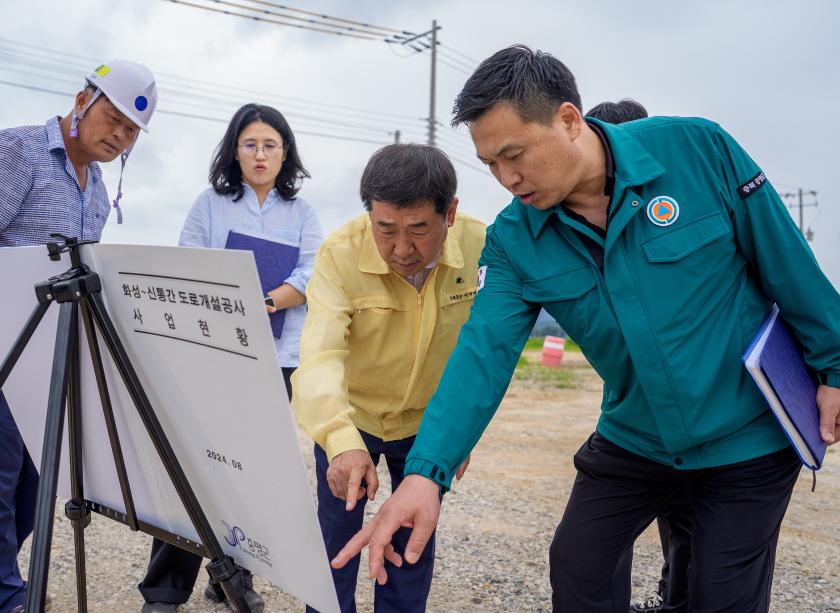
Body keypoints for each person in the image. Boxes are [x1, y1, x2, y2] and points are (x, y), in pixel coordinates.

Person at [332, 45, 840, 613]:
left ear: (569, 120)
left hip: (745, 435)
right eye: (490, 164)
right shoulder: (515, 239)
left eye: (514, 154)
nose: (506, 178)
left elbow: (789, 265)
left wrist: (834, 368)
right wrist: (426, 474)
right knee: (578, 566)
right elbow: (484, 352)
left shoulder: (699, 151)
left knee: (721, 592)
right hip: (637, 437)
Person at [0, 59, 157, 613]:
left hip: (46, 353)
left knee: (37, 482)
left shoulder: (98, 189)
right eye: (112, 118)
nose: (119, 136)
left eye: (131, 131)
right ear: (82, 99)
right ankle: (2, 598)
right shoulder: (13, 150)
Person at [137, 103, 322, 613]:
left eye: (270, 145)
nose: (260, 154)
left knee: (248, 471)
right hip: (211, 353)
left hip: (275, 357)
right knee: (192, 469)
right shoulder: (211, 204)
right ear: (234, 151)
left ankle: (231, 581)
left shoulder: (302, 213)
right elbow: (186, 262)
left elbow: (312, 274)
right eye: (250, 144)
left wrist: (261, 302)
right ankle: (165, 590)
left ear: (286, 154)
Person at [291, 143, 485, 613]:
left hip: (429, 424)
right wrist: (339, 440)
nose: (402, 249)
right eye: (385, 229)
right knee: (336, 537)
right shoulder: (339, 253)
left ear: (450, 213)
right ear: (369, 217)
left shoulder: (482, 246)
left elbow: (485, 351)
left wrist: (459, 432)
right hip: (351, 418)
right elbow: (320, 354)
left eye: (419, 229)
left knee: (410, 540)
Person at [587, 99, 690, 613]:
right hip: (630, 415)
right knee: (623, 523)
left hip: (695, 414)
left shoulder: (670, 205)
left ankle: (674, 597)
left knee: (686, 519)